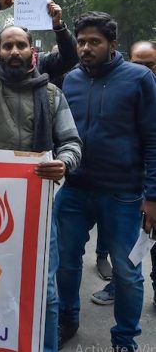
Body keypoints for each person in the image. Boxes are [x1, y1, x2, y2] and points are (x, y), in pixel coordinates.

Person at [0, 0, 83, 352]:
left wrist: (66, 163)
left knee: (43, 287)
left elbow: (72, 142)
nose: (14, 52)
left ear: (33, 51)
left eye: (21, 46)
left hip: (37, 205)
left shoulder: (51, 95)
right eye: (7, 46)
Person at [57, 11, 156, 352]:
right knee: (66, 263)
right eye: (82, 41)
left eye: (94, 42)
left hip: (124, 194)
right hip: (73, 190)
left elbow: (153, 137)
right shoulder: (69, 80)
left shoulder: (139, 78)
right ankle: (67, 319)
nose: (86, 48)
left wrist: (152, 196)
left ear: (113, 44)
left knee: (127, 273)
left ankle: (125, 339)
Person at [87, 40, 156, 310]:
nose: (144, 71)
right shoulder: (127, 88)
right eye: (137, 65)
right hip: (132, 183)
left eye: (149, 65)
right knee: (129, 244)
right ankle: (117, 284)